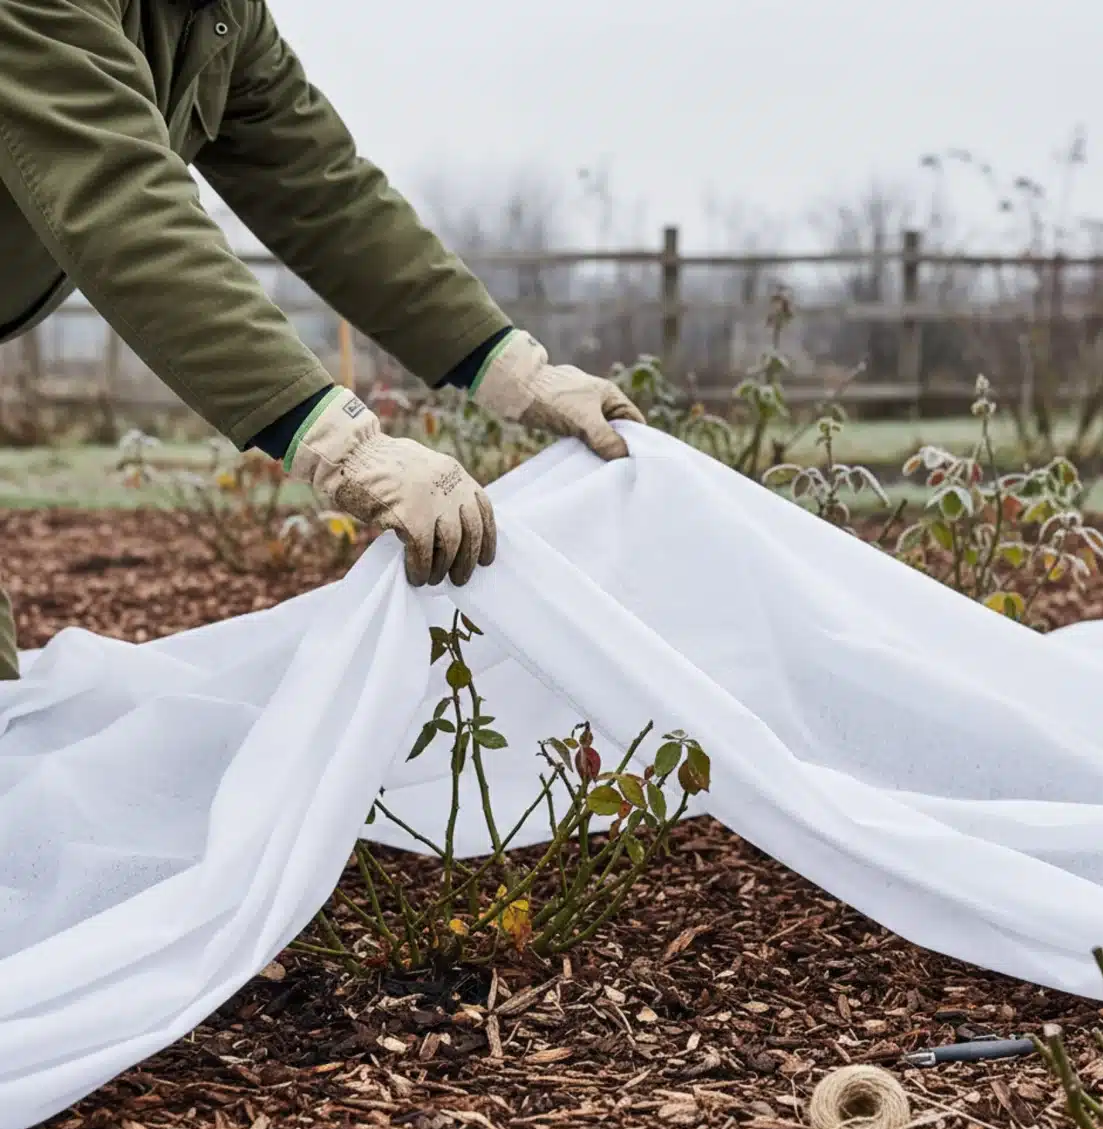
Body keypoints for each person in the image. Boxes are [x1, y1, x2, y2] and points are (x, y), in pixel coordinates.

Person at [0, 0, 646, 683]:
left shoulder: (221, 16)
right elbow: (120, 202)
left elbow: (322, 190)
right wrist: (343, 445)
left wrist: (512, 366)